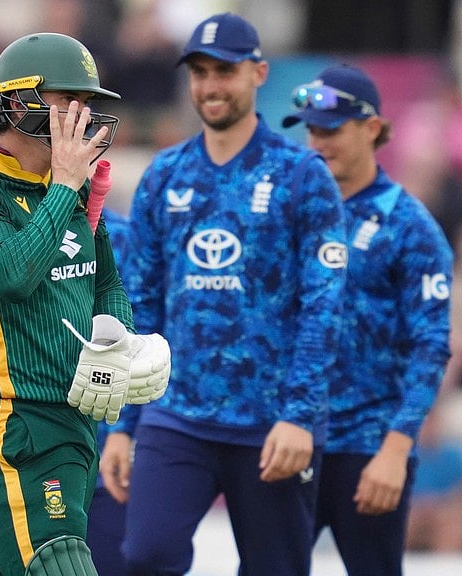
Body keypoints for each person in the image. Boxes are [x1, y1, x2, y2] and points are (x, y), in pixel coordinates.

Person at [99, 12, 347, 576]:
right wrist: (120, 426)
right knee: (145, 556)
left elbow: (323, 306)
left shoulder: (301, 175)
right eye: (200, 73)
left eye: (225, 71)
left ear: (258, 73)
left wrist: (300, 416)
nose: (210, 86)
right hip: (176, 414)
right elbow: (139, 306)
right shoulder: (165, 174)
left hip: (271, 424)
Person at [0, 32, 170, 575]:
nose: (83, 118)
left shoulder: (74, 192)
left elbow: (105, 283)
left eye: (88, 105)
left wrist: (116, 339)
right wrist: (64, 185)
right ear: (17, 104)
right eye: (69, 102)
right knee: (59, 562)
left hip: (73, 427)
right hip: (9, 425)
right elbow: (12, 274)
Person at [281, 63, 453, 575]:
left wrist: (397, 450)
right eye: (312, 131)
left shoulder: (409, 225)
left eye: (331, 131)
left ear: (372, 128)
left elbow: (431, 347)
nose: (318, 143)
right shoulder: (289, 214)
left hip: (368, 447)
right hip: (291, 438)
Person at [0, 209, 134, 574]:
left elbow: (141, 329)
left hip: (104, 453)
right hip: (24, 444)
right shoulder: (3, 231)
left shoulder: (119, 236)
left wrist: (126, 432)